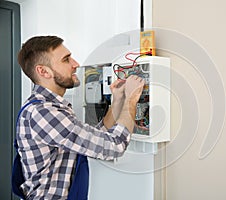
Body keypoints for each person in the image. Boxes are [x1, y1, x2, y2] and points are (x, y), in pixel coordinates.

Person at [15, 35, 145, 199]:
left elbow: (95, 136)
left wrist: (118, 100)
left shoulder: (52, 107)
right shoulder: (43, 113)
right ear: (43, 71)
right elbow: (115, 147)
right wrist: (131, 100)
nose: (76, 64)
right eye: (66, 59)